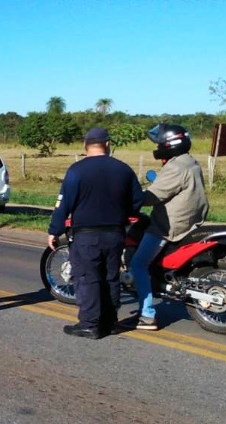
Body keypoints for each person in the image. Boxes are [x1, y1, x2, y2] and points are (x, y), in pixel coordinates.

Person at [48, 128, 144, 339]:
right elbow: (137, 201)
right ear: (107, 144)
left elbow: (63, 203)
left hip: (87, 235)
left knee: (87, 277)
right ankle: (110, 322)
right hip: (115, 234)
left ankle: (90, 323)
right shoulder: (123, 169)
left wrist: (54, 230)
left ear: (85, 145)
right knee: (110, 277)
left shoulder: (77, 170)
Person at [128, 124, 209, 330]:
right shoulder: (189, 162)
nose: (158, 146)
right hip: (192, 220)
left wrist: (129, 197)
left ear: (169, 144)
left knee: (138, 265)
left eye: (161, 142)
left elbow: (153, 196)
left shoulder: (175, 167)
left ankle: (147, 314)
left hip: (170, 225)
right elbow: (169, 187)